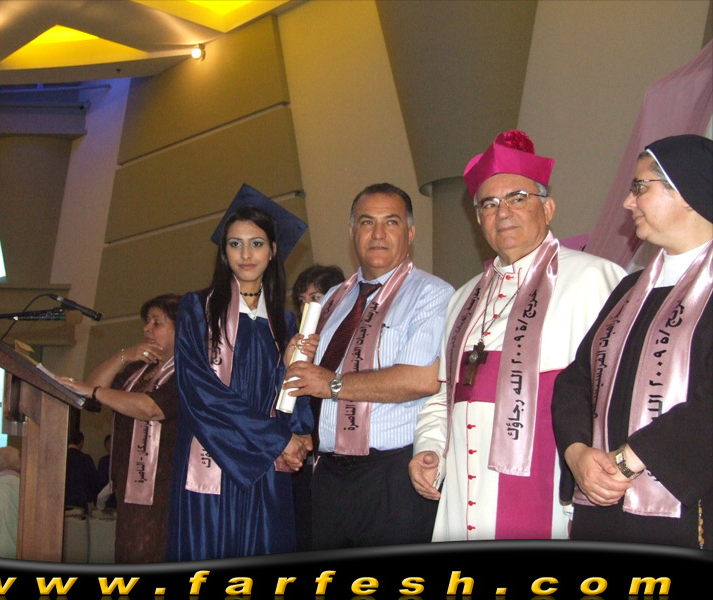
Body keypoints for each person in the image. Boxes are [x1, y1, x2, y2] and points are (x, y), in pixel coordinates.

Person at [410, 130, 626, 541]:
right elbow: (444, 394)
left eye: (517, 198)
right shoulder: (463, 298)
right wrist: (430, 449)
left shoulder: (594, 279)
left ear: (548, 207)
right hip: (462, 499)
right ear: (478, 220)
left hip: (550, 495)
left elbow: (614, 398)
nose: (503, 212)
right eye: (489, 204)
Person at [552, 134, 712, 549]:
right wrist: (577, 453)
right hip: (603, 508)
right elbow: (577, 379)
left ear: (688, 190)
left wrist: (628, 460)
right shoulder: (630, 289)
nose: (628, 201)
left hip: (686, 514)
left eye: (640, 187)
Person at [284, 182, 454, 550]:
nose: (378, 234)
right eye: (366, 222)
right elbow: (311, 380)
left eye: (391, 222)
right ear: (352, 232)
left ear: (410, 233)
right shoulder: (335, 297)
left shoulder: (432, 293)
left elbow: (421, 379)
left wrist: (332, 384)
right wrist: (296, 360)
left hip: (392, 476)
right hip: (329, 474)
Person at [165, 184, 314, 561]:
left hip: (266, 465)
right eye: (235, 244)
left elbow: (282, 399)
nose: (246, 254)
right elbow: (200, 393)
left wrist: (292, 378)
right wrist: (278, 439)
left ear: (273, 250)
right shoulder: (198, 309)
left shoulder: (284, 322)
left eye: (257, 244)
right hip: (212, 461)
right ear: (224, 251)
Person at [59, 293, 181, 562]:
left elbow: (151, 408)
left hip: (166, 487)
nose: (146, 328)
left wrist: (94, 391)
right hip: (130, 485)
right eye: (146, 321)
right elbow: (90, 391)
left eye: (157, 322)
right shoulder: (139, 369)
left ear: (181, 328)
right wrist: (123, 356)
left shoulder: (189, 370)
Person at [289, 263, 345, 551]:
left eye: (315, 298)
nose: (306, 307)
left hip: (338, 458)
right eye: (301, 300)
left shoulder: (347, 340)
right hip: (302, 456)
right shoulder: (294, 340)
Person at [64, 429, 96, 512]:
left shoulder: (61, 458)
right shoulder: (86, 459)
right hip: (79, 502)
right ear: (81, 442)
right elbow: (93, 481)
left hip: (62, 501)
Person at [95, 434, 116, 510]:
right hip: (114, 501)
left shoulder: (103, 461)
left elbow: (99, 482)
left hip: (106, 502)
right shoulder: (104, 461)